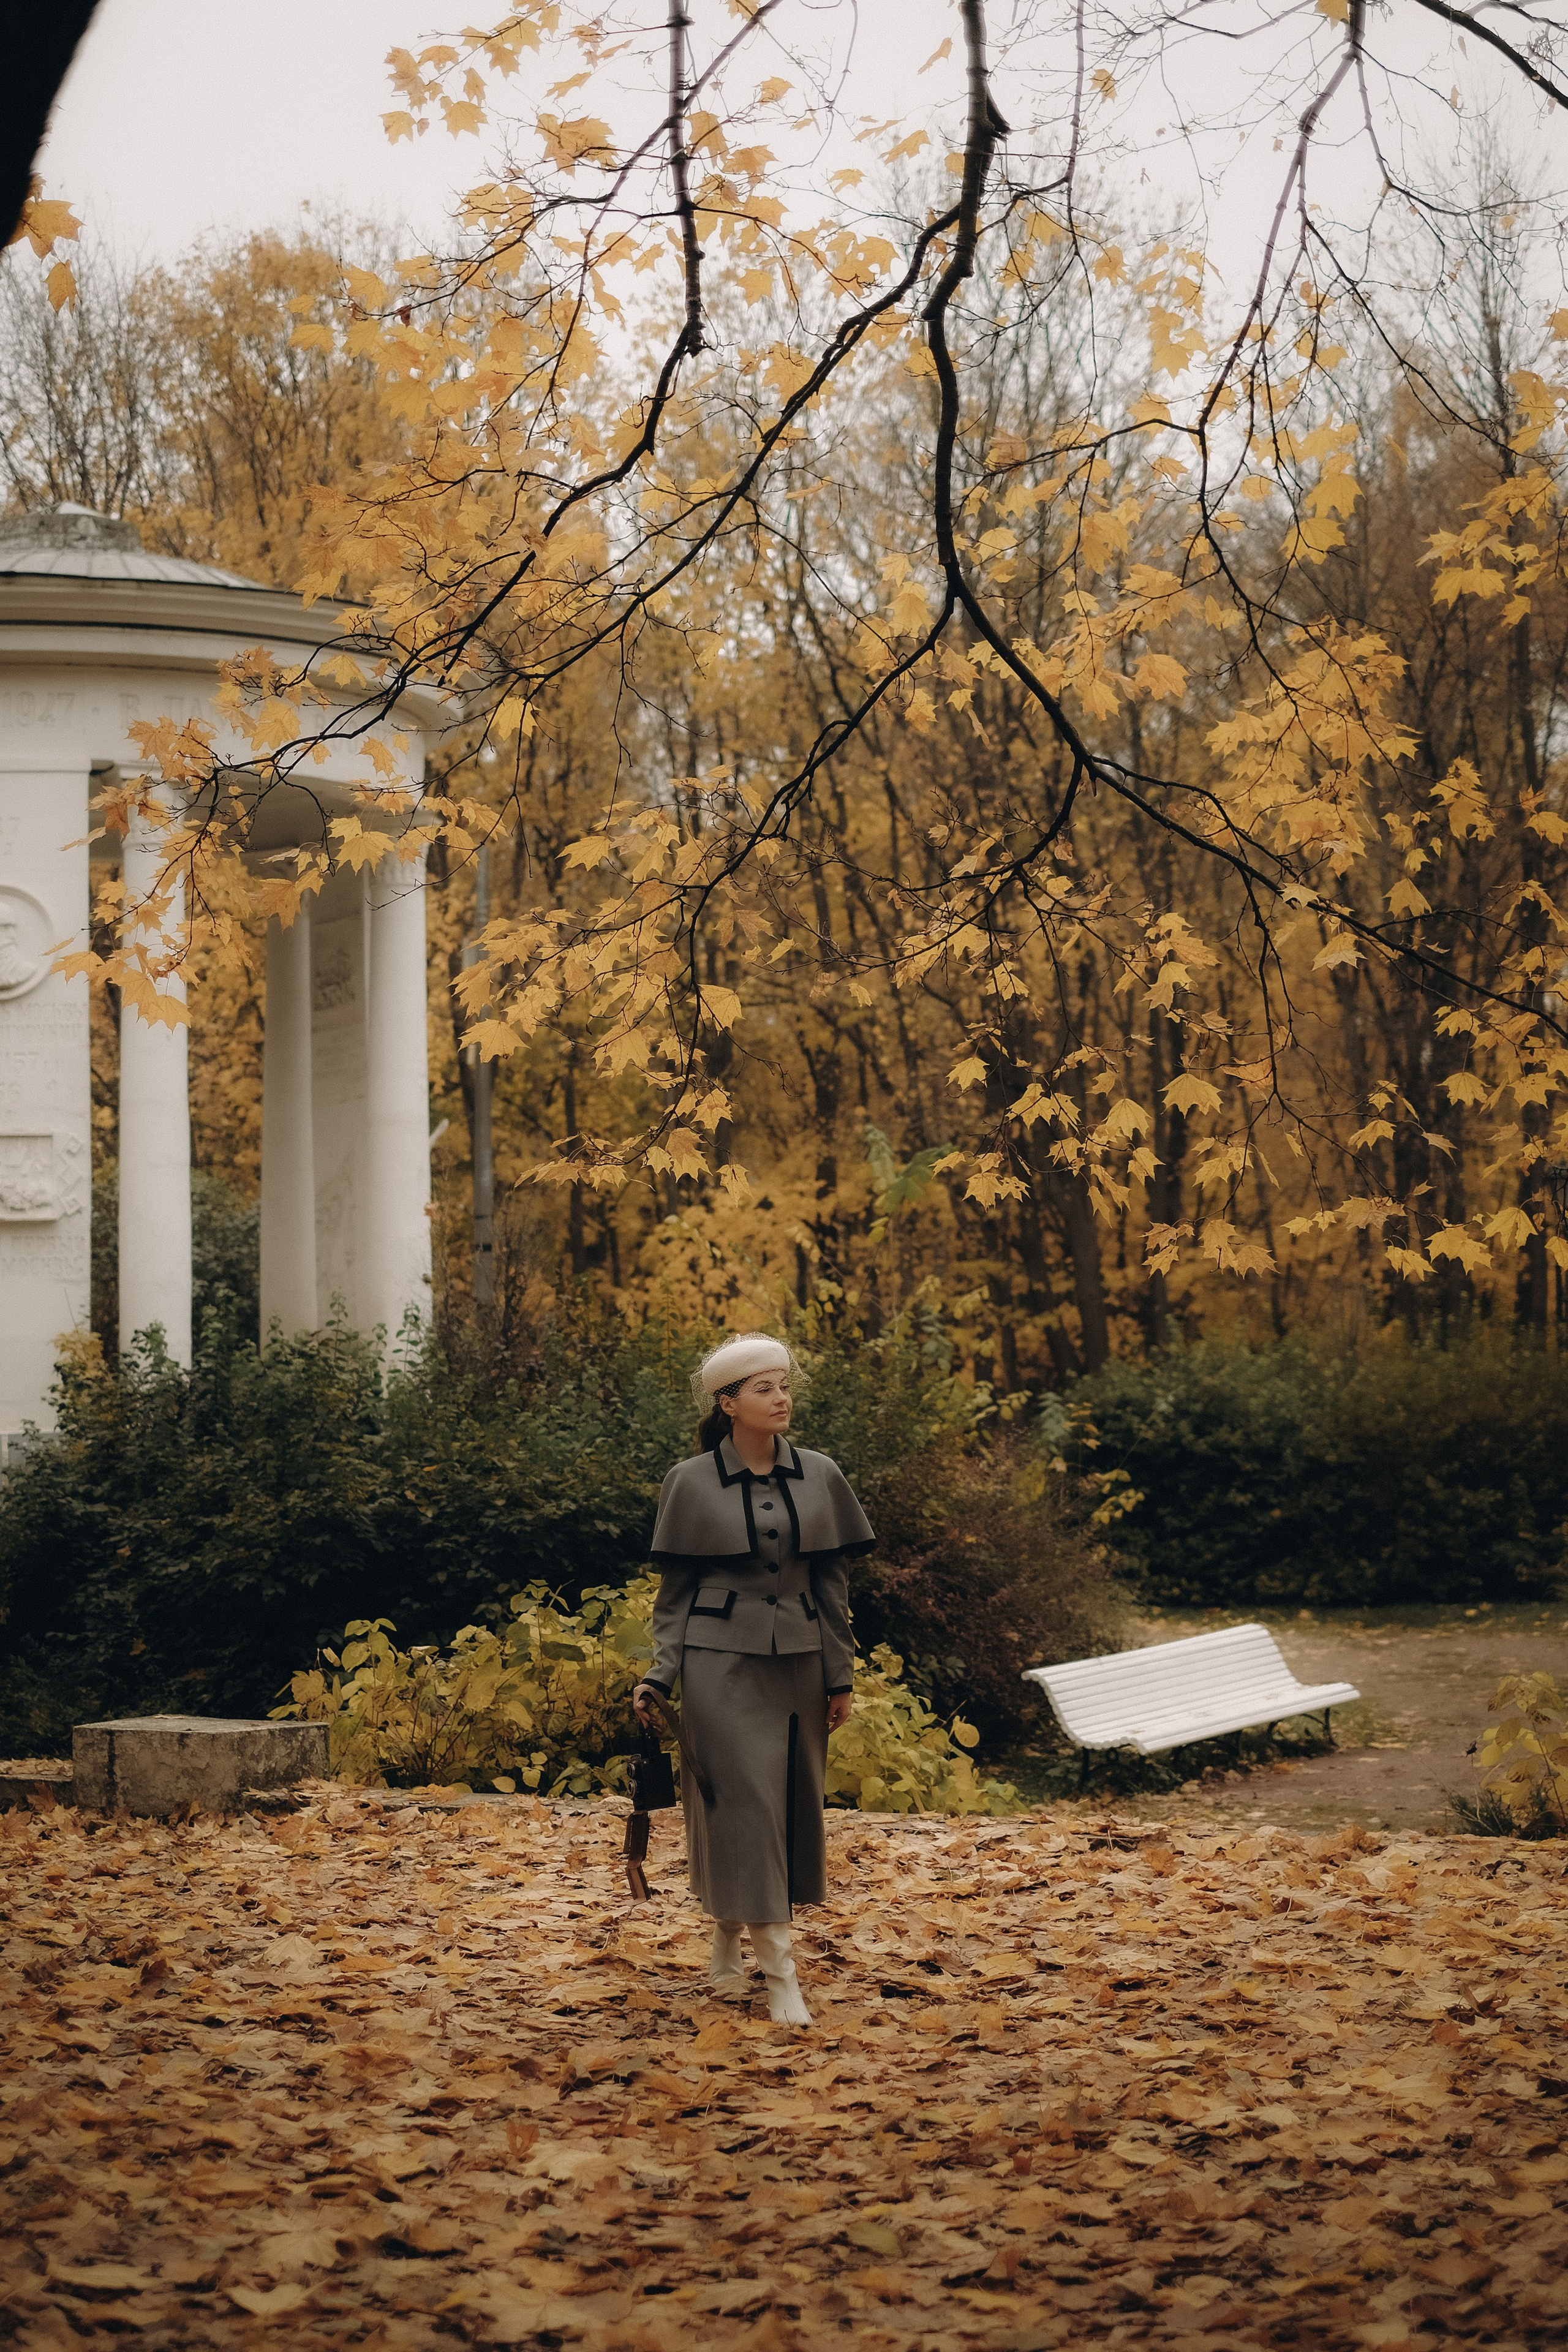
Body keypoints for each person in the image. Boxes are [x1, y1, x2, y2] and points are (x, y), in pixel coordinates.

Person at [631, 1333, 875, 2027]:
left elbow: (833, 1588)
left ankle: (725, 1944)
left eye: (784, 1386)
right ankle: (780, 1977)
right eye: (764, 1389)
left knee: (780, 1810)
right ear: (728, 1402)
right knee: (743, 1806)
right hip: (718, 1667)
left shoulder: (821, 1475)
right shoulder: (689, 1481)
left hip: (799, 1666)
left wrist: (839, 1675)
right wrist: (660, 1677)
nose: (781, 1399)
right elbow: (673, 1599)